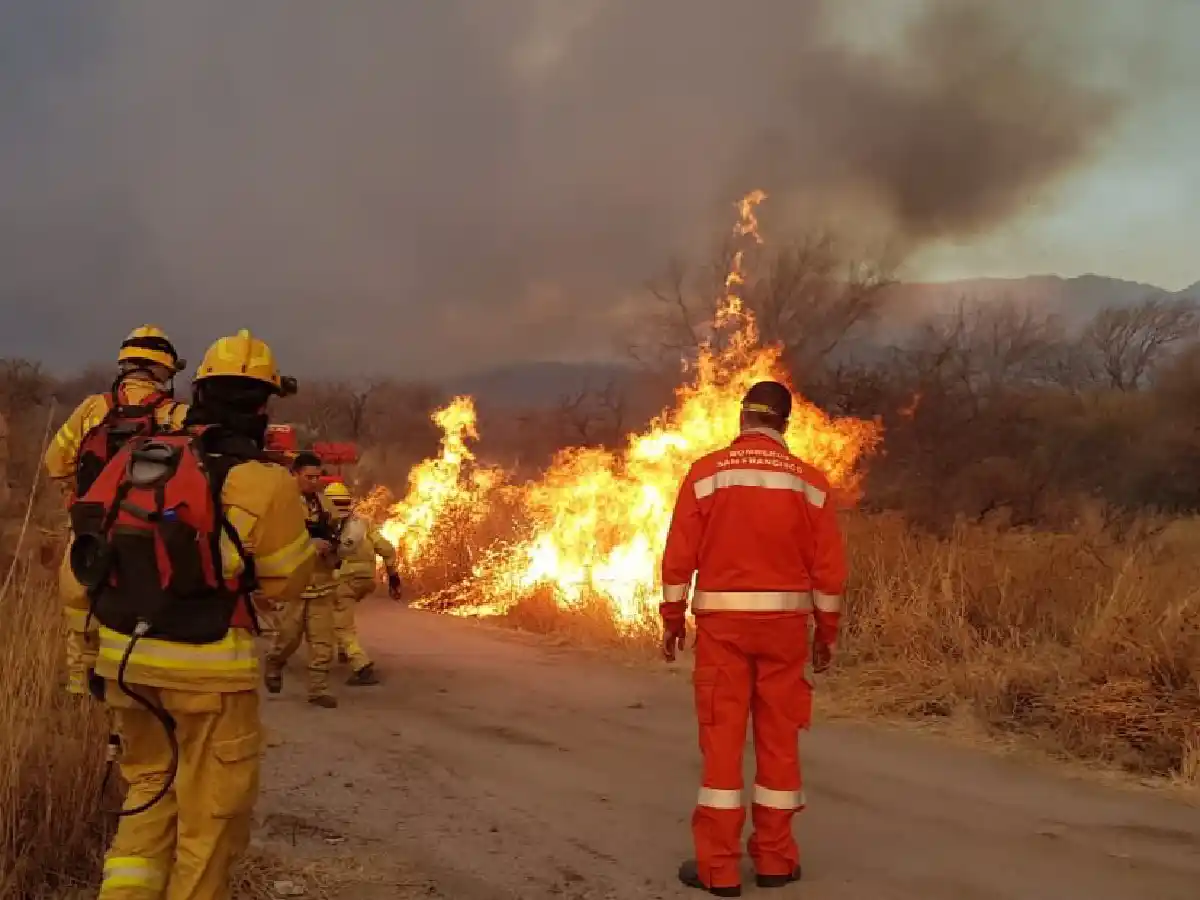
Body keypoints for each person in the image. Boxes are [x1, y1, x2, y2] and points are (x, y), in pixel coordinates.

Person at [70, 328, 315, 899]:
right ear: (262, 404)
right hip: (211, 676)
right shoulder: (266, 481)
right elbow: (284, 584)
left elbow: (77, 570)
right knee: (209, 822)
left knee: (147, 796)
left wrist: (81, 652)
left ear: (198, 389)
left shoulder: (137, 458)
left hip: (125, 667)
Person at [659, 380, 847, 897]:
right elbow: (829, 573)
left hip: (722, 633)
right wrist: (825, 636)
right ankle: (775, 862)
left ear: (742, 419)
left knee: (722, 742)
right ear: (785, 424)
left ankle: (718, 870)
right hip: (786, 634)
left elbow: (679, 559)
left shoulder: (705, 475)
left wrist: (672, 619)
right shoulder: (810, 483)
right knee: (779, 744)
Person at [46, 325, 190, 696]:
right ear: (164, 372)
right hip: (146, 534)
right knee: (136, 618)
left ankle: (81, 689)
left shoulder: (92, 410)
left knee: (79, 611)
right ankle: (127, 694)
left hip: (88, 530)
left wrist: (75, 497)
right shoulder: (177, 415)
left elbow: (54, 462)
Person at [263, 452, 342, 707]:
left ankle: (318, 690)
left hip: (322, 582)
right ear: (294, 474)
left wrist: (333, 545)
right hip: (293, 584)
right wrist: (309, 544)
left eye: (318, 477)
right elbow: (274, 539)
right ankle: (274, 663)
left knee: (322, 643)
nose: (314, 481)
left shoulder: (323, 503)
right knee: (288, 637)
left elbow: (337, 529)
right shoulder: (280, 504)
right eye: (309, 477)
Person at [323, 480, 403, 685]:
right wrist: (393, 576)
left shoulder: (329, 526)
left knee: (341, 625)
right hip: (366, 580)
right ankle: (343, 651)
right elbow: (387, 549)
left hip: (344, 580)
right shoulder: (364, 521)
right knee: (343, 615)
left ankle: (361, 666)